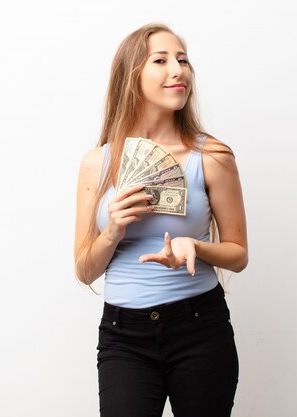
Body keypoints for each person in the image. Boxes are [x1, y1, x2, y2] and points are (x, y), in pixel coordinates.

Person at [74, 23, 248, 417]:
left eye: (183, 60)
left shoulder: (213, 156)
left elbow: (238, 254)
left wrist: (197, 247)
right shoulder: (96, 164)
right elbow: (84, 270)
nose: (179, 71)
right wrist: (113, 231)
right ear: (131, 75)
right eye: (161, 60)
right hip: (124, 337)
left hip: (199, 327)